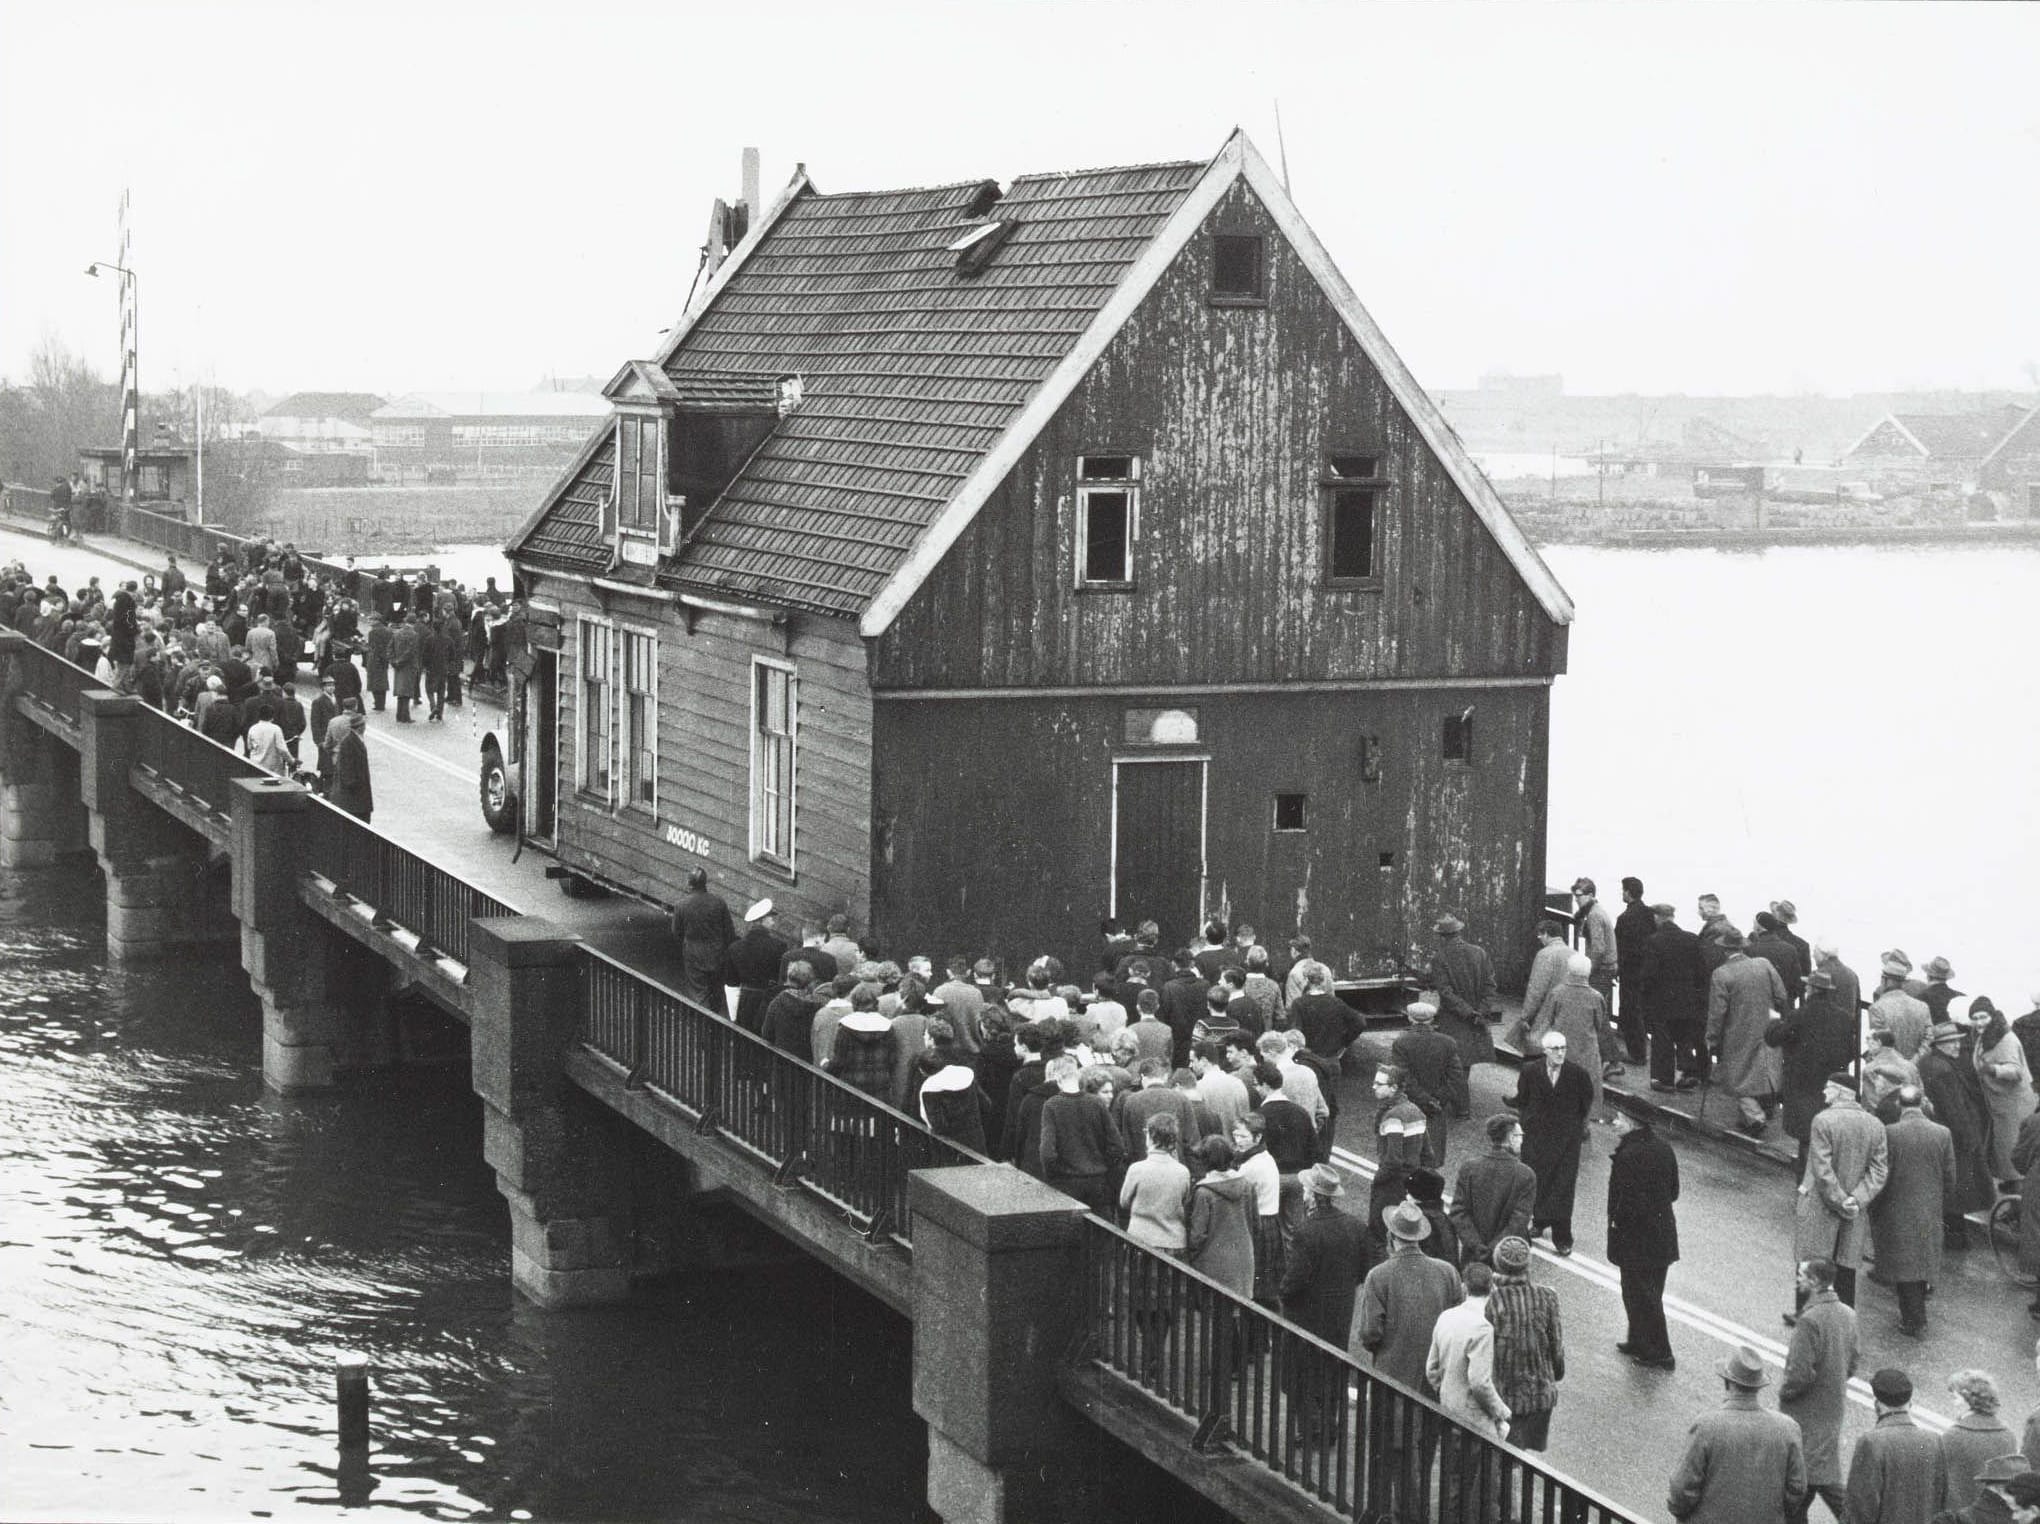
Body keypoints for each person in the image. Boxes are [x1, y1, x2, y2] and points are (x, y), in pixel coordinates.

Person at [1279, 1162, 1369, 1446]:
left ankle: (1310, 1430)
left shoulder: (1307, 1231)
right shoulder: (1355, 1226)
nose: (1303, 1193)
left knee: (1303, 1374)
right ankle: (1330, 1426)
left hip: (1306, 1313)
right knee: (1331, 1370)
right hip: (1340, 1311)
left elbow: (1295, 1280)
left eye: (1306, 1189)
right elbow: (1365, 1268)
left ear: (1314, 1194)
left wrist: (1284, 1294)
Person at [1666, 1344, 1807, 1524]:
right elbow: (1797, 1488)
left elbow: (1681, 1490)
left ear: (1728, 1382)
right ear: (1758, 1386)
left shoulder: (1707, 1426)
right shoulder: (1787, 1428)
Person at [1794, 1073, 1889, 1313]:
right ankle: (1842, 1323)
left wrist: (1839, 1200)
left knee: (1811, 1264)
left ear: (1839, 1092)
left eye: (1828, 1088)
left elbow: (1821, 1169)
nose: (1824, 1093)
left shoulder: (1823, 1121)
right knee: (1845, 1271)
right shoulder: (1875, 1125)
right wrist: (1856, 1199)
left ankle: (1807, 1316)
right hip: (1854, 1211)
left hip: (1820, 1206)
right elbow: (1879, 1170)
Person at [1428, 1260, 1511, 1521]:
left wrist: (1447, 1392)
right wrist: (1501, 1411)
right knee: (1477, 1483)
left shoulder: (1447, 1317)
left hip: (1448, 1408)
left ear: (1464, 1287)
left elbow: (1431, 1368)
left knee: (1451, 1477)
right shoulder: (1482, 1328)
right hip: (1474, 1419)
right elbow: (1480, 1382)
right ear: (1492, 1288)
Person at [1779, 1258, 1860, 1524]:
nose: (1798, 1279)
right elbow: (1853, 1362)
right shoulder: (1848, 1313)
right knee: (1816, 1474)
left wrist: (1785, 1393)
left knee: (1808, 1479)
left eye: (1802, 1275)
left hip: (1805, 1413)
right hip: (1832, 1407)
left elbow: (1799, 1374)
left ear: (1814, 1282)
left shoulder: (1809, 1320)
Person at [1873, 1086, 1956, 1339]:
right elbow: (1950, 1176)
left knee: (1903, 1265)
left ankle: (1913, 1319)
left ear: (1899, 1104)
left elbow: (1882, 1172)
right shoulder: (1942, 1133)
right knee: (1922, 1260)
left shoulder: (1890, 1132)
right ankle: (1916, 1313)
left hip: (1897, 1208)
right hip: (1929, 1207)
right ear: (1922, 1103)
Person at [1358, 1198, 1464, 1392]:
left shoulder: (1378, 1276)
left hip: (1392, 1374)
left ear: (1390, 1236)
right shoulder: (1447, 1272)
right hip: (1435, 1376)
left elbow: (1370, 1333)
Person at [1771, 969, 1867, 1177]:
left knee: (1807, 1135)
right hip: (1829, 1084)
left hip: (1801, 1083)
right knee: (1824, 1133)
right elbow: (1851, 1053)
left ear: (1812, 990)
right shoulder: (1844, 1017)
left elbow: (1774, 1038)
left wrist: (1773, 1022)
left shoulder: (1800, 1014)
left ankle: (1807, 1184)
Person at [1607, 1107, 1680, 1371]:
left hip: (1635, 1238)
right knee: (1650, 1292)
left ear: (1632, 1123)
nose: (1614, 1123)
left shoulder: (1628, 1155)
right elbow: (1674, 1191)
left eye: (1619, 1118)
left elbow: (1623, 1201)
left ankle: (1659, 1352)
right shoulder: (1664, 1148)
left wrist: (1617, 1222)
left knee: (1639, 1294)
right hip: (1662, 1235)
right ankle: (1638, 1339)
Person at [1514, 1029, 1594, 1255]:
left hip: (1565, 1140)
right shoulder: (1531, 1071)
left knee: (1562, 1186)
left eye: (1563, 1048)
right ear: (1545, 1051)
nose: (1560, 1053)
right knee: (1536, 1180)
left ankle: (1562, 1236)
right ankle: (1539, 1221)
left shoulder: (1577, 1074)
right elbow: (1523, 1098)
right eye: (1555, 1049)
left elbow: (1585, 1102)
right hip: (1536, 1137)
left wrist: (1575, 1129)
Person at [1921, 1020, 2000, 1247]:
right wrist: (1970, 1139)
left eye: (1957, 1041)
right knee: (1957, 1190)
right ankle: (1956, 1239)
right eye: (1951, 1043)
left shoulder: (1929, 1063)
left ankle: (1950, 1236)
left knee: (1946, 1189)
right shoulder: (1944, 1070)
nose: (1957, 1046)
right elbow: (1954, 1109)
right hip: (1955, 1139)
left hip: (1939, 1134)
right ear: (1940, 1045)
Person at [1708, 926, 1790, 1136]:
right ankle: (1755, 1113)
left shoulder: (1721, 974)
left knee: (1737, 1076)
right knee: (1764, 1070)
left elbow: (1718, 1012)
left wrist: (1712, 1038)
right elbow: (1781, 995)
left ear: (1725, 950)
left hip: (1738, 1031)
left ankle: (1754, 1117)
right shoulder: (1763, 964)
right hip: (1768, 1027)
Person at [1486, 1234, 1565, 1450]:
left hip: (1506, 1397)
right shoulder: (1548, 1297)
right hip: (1541, 1395)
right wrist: (1553, 1375)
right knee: (1521, 1456)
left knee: (1503, 1456)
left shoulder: (1492, 1300)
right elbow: (1556, 1349)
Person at [1844, 1368, 1947, 1523]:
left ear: (1877, 1404)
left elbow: (1860, 1508)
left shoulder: (1871, 1442)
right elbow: (1942, 1498)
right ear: (1909, 1403)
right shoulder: (1934, 1440)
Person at [1530, 951, 1613, 1116]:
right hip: (1586, 1049)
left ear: (1569, 970)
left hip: (1561, 1048)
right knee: (1586, 1086)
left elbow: (1548, 1018)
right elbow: (1599, 1024)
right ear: (1588, 973)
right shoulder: (1596, 997)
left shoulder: (1558, 992)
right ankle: (1586, 1118)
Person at [1449, 1113, 1537, 1270]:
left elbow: (1458, 1212)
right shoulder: (1525, 1174)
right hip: (1508, 1256)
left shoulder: (1469, 1168)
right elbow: (1519, 1219)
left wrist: (1476, 1246)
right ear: (1510, 1138)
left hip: (1473, 1256)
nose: (1522, 1140)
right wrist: (1494, 1249)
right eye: (1520, 1135)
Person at [1039, 1055, 1123, 1215]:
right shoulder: (1096, 1102)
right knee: (1101, 1234)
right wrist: (1104, 1165)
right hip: (1098, 1182)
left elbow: (1047, 1153)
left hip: (1067, 1183)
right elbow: (1117, 1145)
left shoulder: (1052, 1106)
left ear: (1058, 1080)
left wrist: (1055, 1177)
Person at [1641, 901, 1712, 1091]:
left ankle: (1664, 1079)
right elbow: (1702, 973)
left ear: (1657, 917)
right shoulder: (1691, 939)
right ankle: (1687, 1073)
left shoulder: (1653, 941)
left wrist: (1645, 997)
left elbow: (1649, 974)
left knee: (1662, 1039)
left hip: (1662, 1000)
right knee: (1683, 1037)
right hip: (1687, 1000)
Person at [1970, 998, 2037, 1193]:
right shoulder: (1985, 1035)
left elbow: (2015, 1072)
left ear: (1992, 1016)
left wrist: (1992, 1069)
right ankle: (2014, 1185)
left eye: (1983, 1016)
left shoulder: (2005, 1038)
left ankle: (2019, 1199)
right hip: (2000, 1104)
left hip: (2014, 1106)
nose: (1979, 1022)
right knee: (2004, 1150)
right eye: (1974, 1018)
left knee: (2013, 1151)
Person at [1391, 1001, 1465, 1167]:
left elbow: (1403, 1077)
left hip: (1411, 1105)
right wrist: (1438, 1099)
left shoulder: (1402, 1043)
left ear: (1410, 1018)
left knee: (1408, 1156)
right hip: (1436, 1109)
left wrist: (1424, 1099)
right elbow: (1456, 1077)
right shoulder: (1447, 1042)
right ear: (1432, 1020)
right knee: (1432, 1158)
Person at [1940, 1372, 2021, 1517]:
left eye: (1955, 1398)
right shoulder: (2008, 1435)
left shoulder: (1953, 1436)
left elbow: (1940, 1485)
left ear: (1970, 1400)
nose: (1953, 1403)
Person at [1428, 913, 1498, 1071]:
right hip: (1476, 1018)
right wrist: (1481, 1011)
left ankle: (1456, 1094)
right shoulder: (1479, 952)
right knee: (1466, 1061)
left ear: (1442, 936)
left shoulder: (1440, 958)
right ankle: (1460, 1093)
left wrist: (1468, 1012)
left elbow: (1445, 992)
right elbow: (1490, 985)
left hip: (1454, 1018)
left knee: (1452, 1062)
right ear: (1459, 932)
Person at [669, 868, 735, 1009]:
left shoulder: (681, 906)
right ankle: (715, 1023)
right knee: (717, 993)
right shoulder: (719, 903)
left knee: (699, 994)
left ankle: (703, 1025)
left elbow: (676, 933)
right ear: (706, 882)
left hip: (694, 956)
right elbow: (729, 932)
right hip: (717, 956)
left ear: (689, 884)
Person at [723, 899, 789, 1034]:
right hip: (768, 1000)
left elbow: (731, 984)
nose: (773, 921)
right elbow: (780, 978)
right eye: (770, 918)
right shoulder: (779, 947)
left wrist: (734, 1015)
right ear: (761, 920)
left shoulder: (735, 948)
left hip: (745, 1001)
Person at [1615, 876, 1657, 1064]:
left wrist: (1617, 967)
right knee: (1641, 1009)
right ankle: (1643, 1048)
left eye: (1623, 890)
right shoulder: (1649, 913)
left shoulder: (1624, 918)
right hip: (1647, 969)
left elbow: (1620, 946)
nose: (1621, 893)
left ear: (1628, 893)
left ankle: (1636, 1054)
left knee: (1630, 1011)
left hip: (1629, 970)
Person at [1571, 876, 1619, 1037]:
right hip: (1608, 967)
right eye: (1575, 896)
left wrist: (1587, 971)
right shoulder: (1596, 910)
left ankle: (1608, 1053)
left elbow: (1598, 949)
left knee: (1593, 1009)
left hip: (1601, 970)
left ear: (1590, 895)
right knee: (1598, 1009)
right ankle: (1608, 1052)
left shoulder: (1594, 916)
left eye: (1579, 895)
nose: (1576, 899)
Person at [1517, 917, 1574, 1048]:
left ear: (1546, 934)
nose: (1539, 938)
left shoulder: (1544, 954)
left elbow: (1536, 989)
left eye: (1540, 934)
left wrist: (1526, 1016)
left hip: (1547, 1012)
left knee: (1536, 1048)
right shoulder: (1574, 954)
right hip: (1567, 1013)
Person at [1869, 952, 1934, 1062]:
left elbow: (1879, 1044)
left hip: (1890, 1070)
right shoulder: (1922, 1007)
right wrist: (1914, 1062)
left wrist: (1900, 1065)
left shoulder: (1877, 1008)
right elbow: (1929, 1038)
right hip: (1916, 1070)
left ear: (1885, 980)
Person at [325, 710, 372, 822]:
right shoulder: (349, 743)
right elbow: (347, 773)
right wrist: (356, 787)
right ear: (360, 727)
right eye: (364, 725)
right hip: (354, 801)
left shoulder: (355, 740)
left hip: (358, 800)